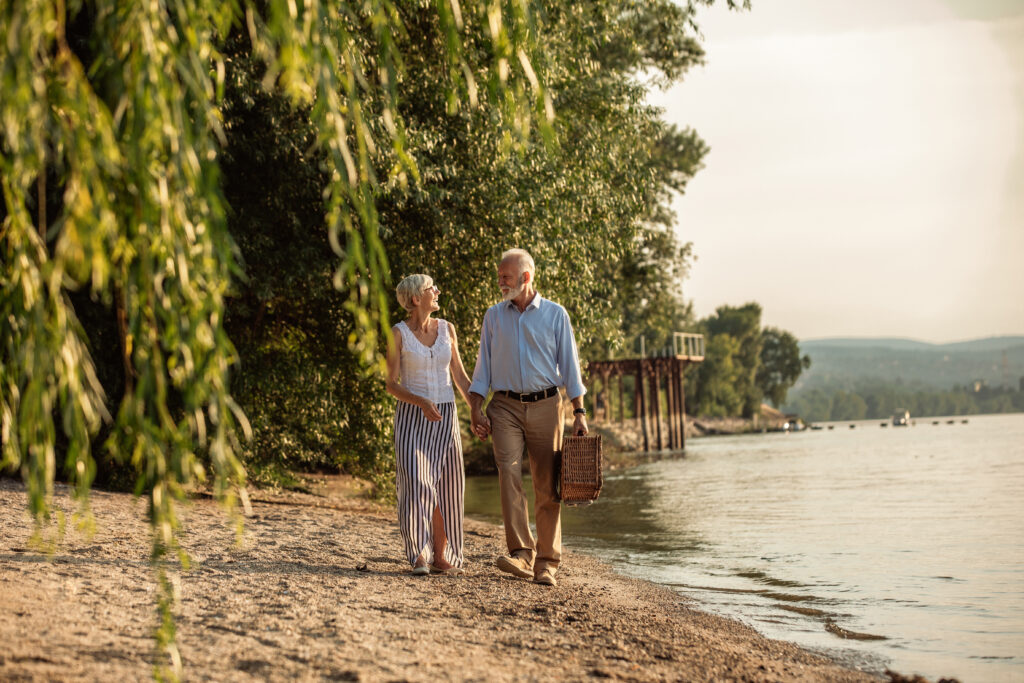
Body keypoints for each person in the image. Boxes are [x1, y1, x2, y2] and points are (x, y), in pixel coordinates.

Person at [469, 249, 588, 587]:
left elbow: (570, 368)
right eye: (499, 275)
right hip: (504, 406)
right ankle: (522, 553)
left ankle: (547, 562)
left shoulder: (555, 315)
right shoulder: (493, 316)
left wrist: (579, 413)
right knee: (507, 471)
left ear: (526, 277)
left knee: (546, 485)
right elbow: (483, 368)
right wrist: (476, 407)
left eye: (505, 276)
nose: (500, 281)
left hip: (546, 405)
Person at [385, 274, 473, 576]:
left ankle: (441, 557)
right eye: (429, 289)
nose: (437, 291)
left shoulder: (448, 329)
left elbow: (460, 378)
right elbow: (390, 384)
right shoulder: (398, 333)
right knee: (418, 484)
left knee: (447, 487)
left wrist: (477, 409)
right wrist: (421, 401)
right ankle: (418, 555)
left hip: (446, 416)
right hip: (413, 416)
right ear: (415, 299)